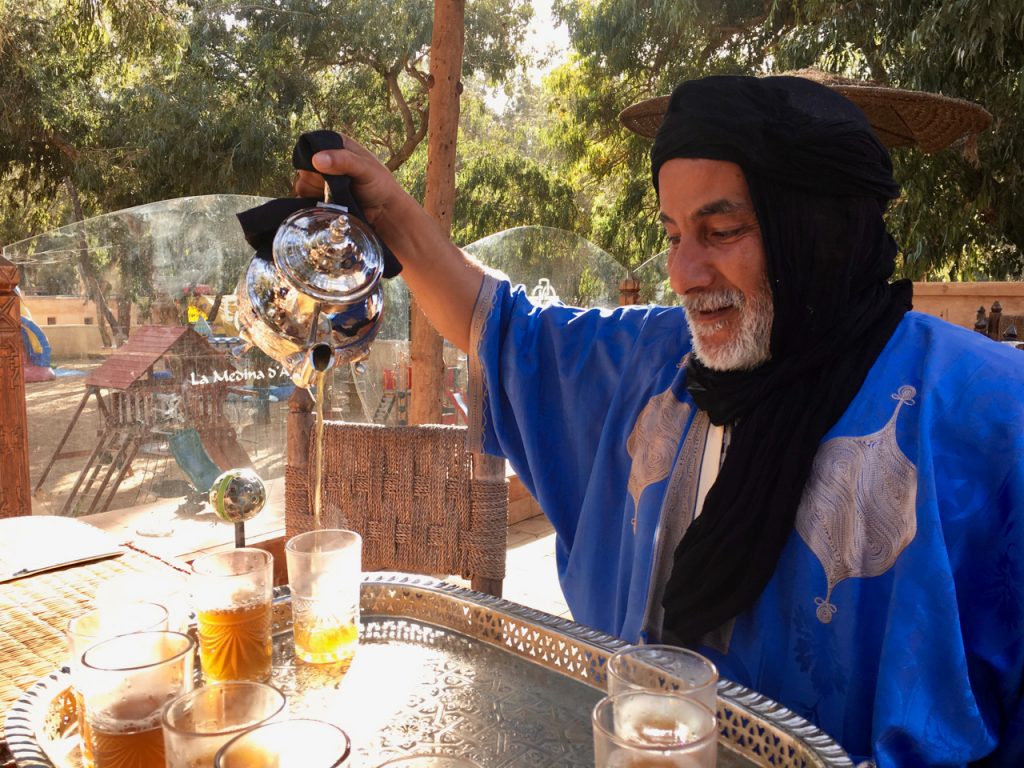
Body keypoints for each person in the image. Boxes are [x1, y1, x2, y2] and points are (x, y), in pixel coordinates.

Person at [294, 75, 1024, 767]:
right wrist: (388, 212)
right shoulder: (655, 360)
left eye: (723, 229)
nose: (685, 273)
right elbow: (503, 328)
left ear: (815, 230)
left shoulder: (983, 411)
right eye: (674, 234)